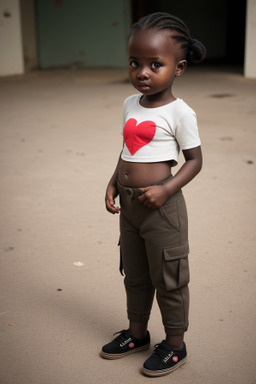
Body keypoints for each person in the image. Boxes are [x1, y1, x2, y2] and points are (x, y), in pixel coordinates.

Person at [100, 12, 206, 377]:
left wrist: (166, 189)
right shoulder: (131, 104)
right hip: (130, 206)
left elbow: (194, 161)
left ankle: (175, 345)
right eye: (135, 62)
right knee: (135, 274)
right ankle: (137, 333)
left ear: (178, 68)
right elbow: (128, 148)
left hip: (161, 208)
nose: (142, 72)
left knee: (170, 278)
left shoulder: (180, 112)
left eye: (155, 64)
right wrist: (115, 180)